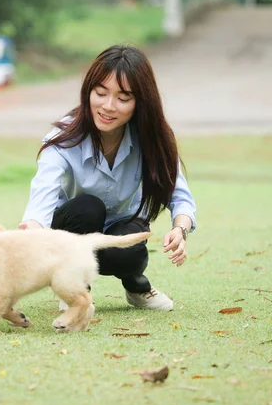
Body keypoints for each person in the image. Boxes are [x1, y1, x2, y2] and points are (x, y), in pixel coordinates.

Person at [18, 44, 196, 311]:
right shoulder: (63, 138)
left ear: (140, 102)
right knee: (88, 207)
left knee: (132, 240)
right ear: (88, 91)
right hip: (71, 231)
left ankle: (137, 286)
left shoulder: (153, 138)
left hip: (120, 231)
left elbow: (179, 194)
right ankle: (74, 291)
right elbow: (43, 192)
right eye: (100, 93)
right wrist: (32, 230)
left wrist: (180, 229)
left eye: (123, 99)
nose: (108, 106)